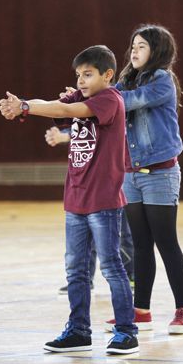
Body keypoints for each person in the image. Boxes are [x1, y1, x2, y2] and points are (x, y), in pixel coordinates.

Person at [0, 45, 138, 354]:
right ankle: (78, 330)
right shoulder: (83, 96)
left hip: (103, 201)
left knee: (112, 267)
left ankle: (127, 331)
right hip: (75, 199)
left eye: (88, 75)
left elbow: (61, 111)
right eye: (78, 76)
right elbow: (54, 104)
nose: (81, 81)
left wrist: (24, 107)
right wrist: (24, 104)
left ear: (108, 75)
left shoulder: (109, 100)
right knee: (75, 270)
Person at [104, 24, 183, 335]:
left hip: (160, 173)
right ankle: (140, 310)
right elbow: (108, 106)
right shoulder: (125, 81)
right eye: (133, 45)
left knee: (166, 242)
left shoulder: (161, 80)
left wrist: (98, 96)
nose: (134, 51)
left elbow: (126, 102)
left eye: (141, 46)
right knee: (141, 245)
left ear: (157, 51)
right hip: (131, 175)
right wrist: (82, 96)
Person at [45, 125, 135, 295]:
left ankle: (130, 275)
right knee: (88, 230)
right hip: (93, 178)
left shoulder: (115, 102)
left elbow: (100, 132)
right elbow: (84, 128)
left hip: (119, 176)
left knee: (123, 232)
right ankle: (86, 279)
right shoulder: (86, 104)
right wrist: (63, 135)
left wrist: (65, 136)